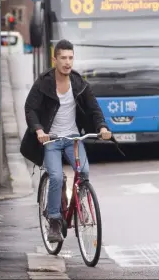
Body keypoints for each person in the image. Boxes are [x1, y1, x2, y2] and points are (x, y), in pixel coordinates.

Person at [20, 39, 111, 243]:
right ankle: (53, 220)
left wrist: (102, 127)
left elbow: (94, 108)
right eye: (63, 58)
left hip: (73, 139)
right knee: (57, 177)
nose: (67, 62)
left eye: (70, 58)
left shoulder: (78, 83)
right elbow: (30, 109)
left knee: (84, 172)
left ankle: (79, 206)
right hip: (51, 139)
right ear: (55, 59)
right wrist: (39, 130)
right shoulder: (44, 82)